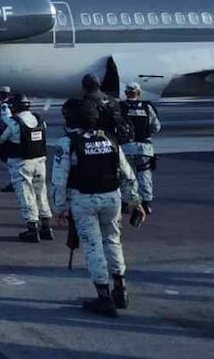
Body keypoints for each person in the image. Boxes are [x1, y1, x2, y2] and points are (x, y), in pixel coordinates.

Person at [51, 98, 145, 317]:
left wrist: (60, 207)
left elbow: (59, 180)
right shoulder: (109, 138)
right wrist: (135, 201)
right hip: (112, 197)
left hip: (84, 199)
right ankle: (120, 291)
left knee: (93, 247)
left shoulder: (67, 143)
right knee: (113, 241)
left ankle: (104, 297)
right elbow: (127, 173)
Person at [0, 94, 53, 242]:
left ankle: (32, 228)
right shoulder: (39, 119)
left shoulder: (12, 122)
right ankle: (46, 227)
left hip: (21, 163)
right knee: (41, 193)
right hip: (39, 161)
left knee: (25, 194)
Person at [120, 83, 161, 214]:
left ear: (126, 93)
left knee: (126, 175)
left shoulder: (121, 107)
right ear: (138, 93)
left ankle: (125, 203)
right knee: (144, 174)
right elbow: (156, 127)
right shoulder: (147, 107)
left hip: (126, 147)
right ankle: (146, 203)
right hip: (144, 148)